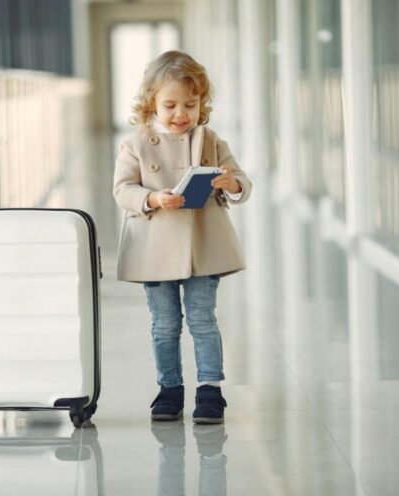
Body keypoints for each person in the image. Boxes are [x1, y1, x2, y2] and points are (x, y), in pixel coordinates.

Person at [113, 51, 252, 424]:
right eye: (170, 105)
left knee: (203, 319)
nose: (181, 114)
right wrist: (153, 198)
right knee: (165, 323)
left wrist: (231, 182)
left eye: (190, 105)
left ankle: (210, 390)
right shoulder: (135, 144)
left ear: (201, 104)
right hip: (155, 247)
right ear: (150, 104)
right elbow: (122, 189)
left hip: (202, 246)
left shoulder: (210, 140)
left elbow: (241, 182)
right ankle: (169, 388)